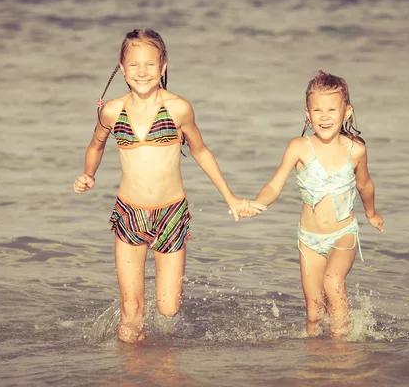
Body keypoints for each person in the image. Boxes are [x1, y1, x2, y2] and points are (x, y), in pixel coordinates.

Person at [73, 29, 266, 343]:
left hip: (171, 214)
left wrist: (230, 198)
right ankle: (132, 369)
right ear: (121, 69)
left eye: (150, 64)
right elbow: (96, 144)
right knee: (131, 308)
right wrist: (88, 174)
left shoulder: (178, 108)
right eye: (134, 65)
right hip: (129, 213)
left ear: (163, 66)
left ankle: (171, 296)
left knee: (167, 307)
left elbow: (201, 150)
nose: (142, 72)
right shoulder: (112, 110)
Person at [236, 71, 383, 338]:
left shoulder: (356, 149)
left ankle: (342, 351)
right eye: (317, 110)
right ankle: (315, 363)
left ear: (347, 112)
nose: (324, 116)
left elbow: (364, 184)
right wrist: (256, 203)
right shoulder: (299, 147)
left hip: (344, 234)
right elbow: (274, 185)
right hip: (309, 240)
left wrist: (371, 214)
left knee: (333, 281)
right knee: (315, 313)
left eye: (331, 109)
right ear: (307, 113)